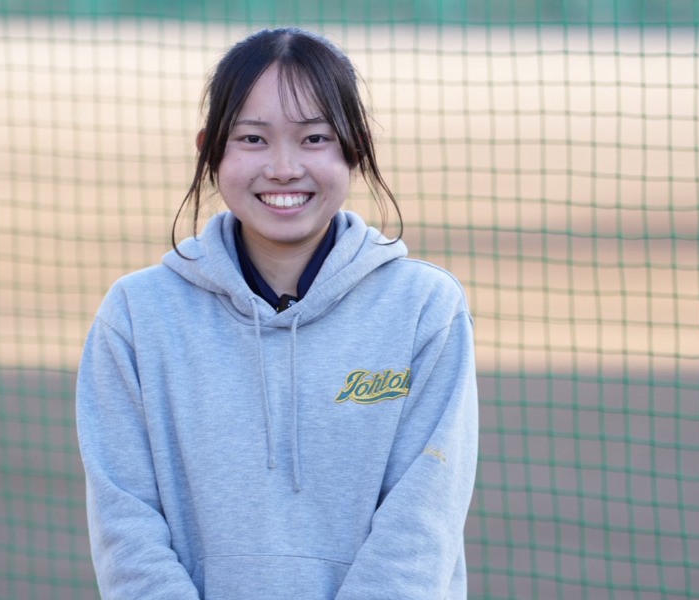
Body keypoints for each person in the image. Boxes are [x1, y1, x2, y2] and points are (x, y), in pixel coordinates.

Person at [76, 27, 478, 600]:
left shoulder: (424, 308)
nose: (284, 168)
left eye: (314, 138)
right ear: (210, 149)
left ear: (354, 148)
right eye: (253, 139)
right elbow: (126, 524)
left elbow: (421, 523)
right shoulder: (138, 315)